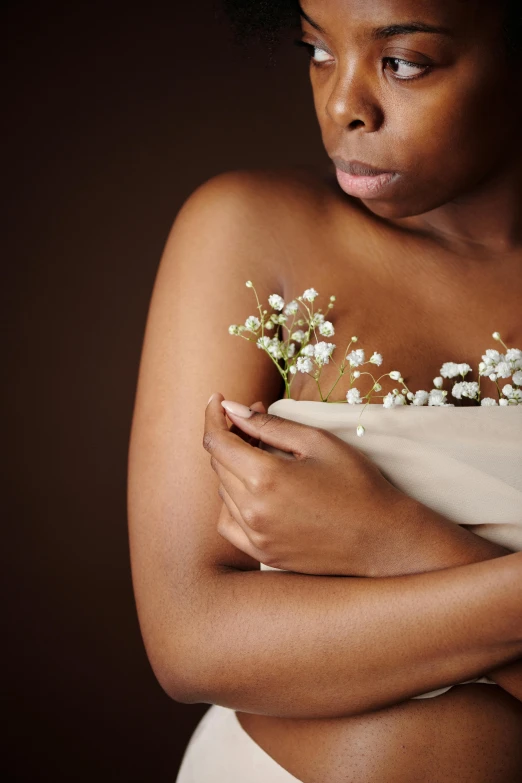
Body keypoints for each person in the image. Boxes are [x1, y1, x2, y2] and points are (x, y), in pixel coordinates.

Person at [127, 0, 522, 780]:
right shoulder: (254, 231)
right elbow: (191, 640)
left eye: (402, 62)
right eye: (316, 50)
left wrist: (394, 540)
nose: (343, 104)